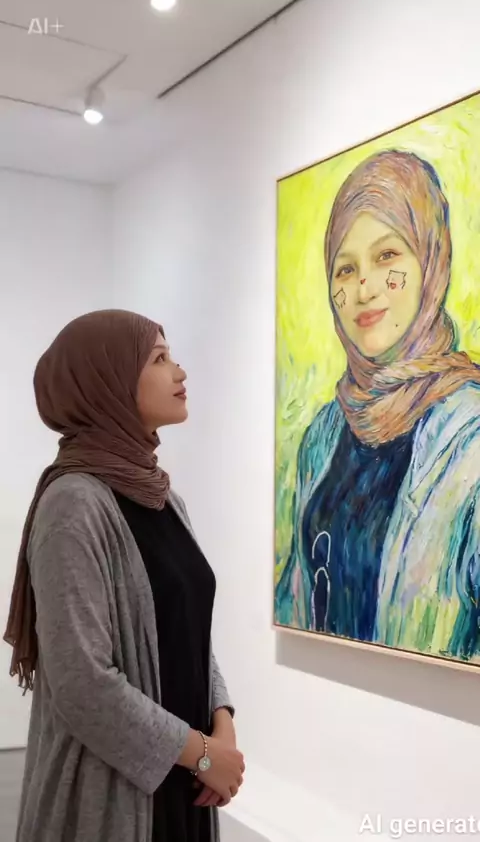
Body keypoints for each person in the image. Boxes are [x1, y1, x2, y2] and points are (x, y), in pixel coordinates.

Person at [3, 309, 245, 842]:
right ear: (107, 380)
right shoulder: (73, 504)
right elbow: (81, 681)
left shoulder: (165, 498)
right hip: (113, 796)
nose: (179, 371)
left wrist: (222, 721)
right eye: (158, 358)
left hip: (184, 777)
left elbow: (188, 630)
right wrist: (203, 753)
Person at [275, 149, 480, 662]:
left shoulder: (470, 439)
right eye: (345, 268)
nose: (364, 287)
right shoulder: (325, 434)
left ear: (430, 262)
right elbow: (295, 598)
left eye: (387, 256)